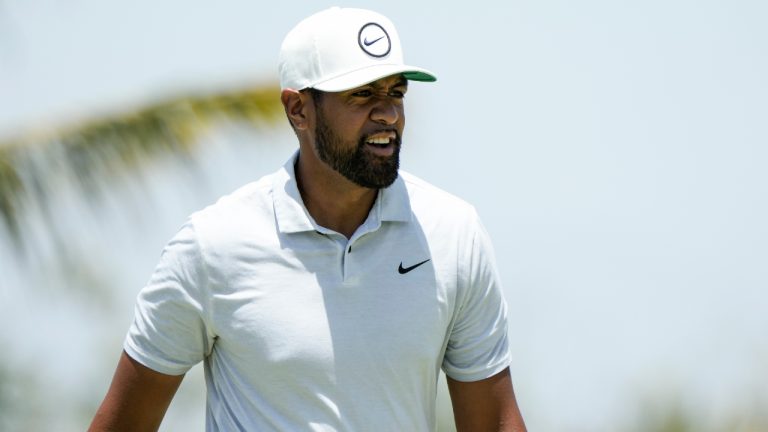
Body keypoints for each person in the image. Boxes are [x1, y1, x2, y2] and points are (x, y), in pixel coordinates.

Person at [89, 7, 526, 432]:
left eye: (396, 92)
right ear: (298, 109)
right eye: (362, 94)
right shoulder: (212, 246)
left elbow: (493, 423)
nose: (388, 113)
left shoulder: (453, 234)